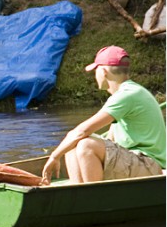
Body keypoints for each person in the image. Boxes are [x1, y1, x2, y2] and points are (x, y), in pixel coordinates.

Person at [41, 46, 166, 185]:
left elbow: (82, 130)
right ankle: (80, 196)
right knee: (73, 144)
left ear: (103, 71)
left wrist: (54, 156)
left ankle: (95, 198)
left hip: (150, 165)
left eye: (96, 70)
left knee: (85, 144)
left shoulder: (127, 95)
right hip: (134, 161)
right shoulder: (126, 93)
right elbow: (111, 140)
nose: (95, 75)